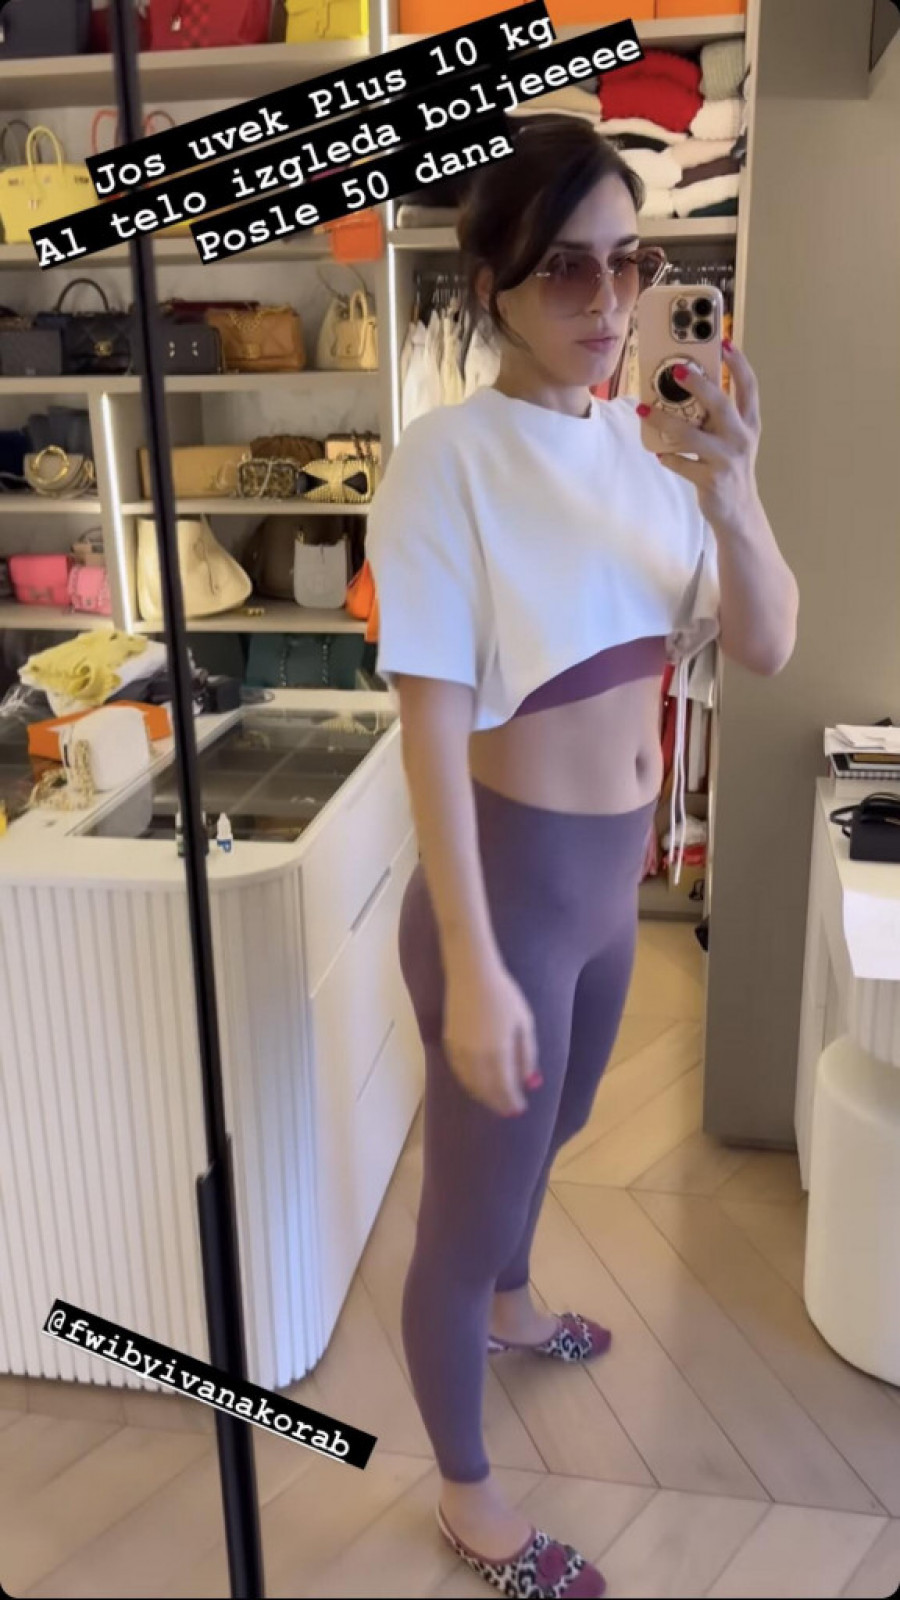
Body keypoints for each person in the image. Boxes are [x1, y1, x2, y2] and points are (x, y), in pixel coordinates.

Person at [365, 116, 798, 1600]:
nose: (609, 301)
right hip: (505, 905)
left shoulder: (648, 445)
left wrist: (736, 488)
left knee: (560, 1131)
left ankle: (511, 1303)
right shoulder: (447, 462)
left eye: (631, 262)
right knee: (467, 1204)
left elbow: (766, 643)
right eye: (567, 267)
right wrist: (475, 964)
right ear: (490, 281)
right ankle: (466, 1495)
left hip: (609, 897)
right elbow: (429, 731)